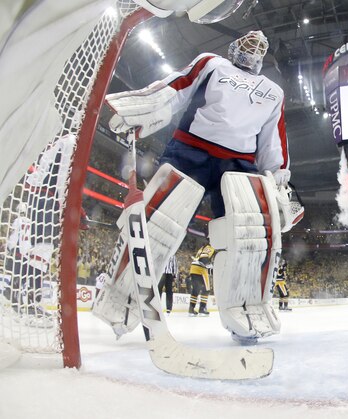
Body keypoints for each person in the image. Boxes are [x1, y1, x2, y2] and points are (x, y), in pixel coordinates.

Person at [98, 30, 303, 343]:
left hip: (238, 163)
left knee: (249, 235)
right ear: (235, 46)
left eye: (258, 46)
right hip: (191, 149)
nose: (252, 47)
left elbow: (272, 140)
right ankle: (123, 297)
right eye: (248, 42)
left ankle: (245, 309)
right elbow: (175, 88)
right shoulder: (212, 63)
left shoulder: (273, 91)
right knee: (157, 224)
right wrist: (143, 109)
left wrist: (276, 179)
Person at [188, 244, 215, 316]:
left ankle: (191, 309)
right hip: (200, 269)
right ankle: (202, 309)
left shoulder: (203, 247)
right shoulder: (210, 247)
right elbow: (203, 259)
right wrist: (209, 264)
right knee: (206, 289)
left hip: (193, 268)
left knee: (195, 290)